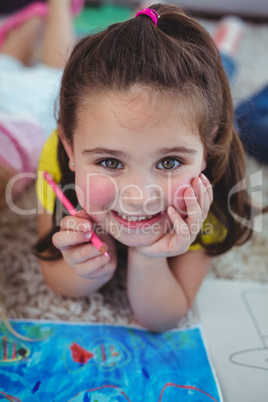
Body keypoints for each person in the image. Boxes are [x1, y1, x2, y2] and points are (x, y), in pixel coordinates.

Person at [35, 4, 254, 332]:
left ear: (207, 149)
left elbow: (162, 317)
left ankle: (225, 46)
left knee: (227, 76)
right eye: (110, 162)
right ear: (69, 148)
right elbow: (59, 283)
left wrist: (150, 257)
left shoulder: (212, 189)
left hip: (216, 98)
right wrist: (87, 270)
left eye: (169, 162)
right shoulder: (54, 163)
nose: (139, 196)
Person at [0, 0, 84, 207]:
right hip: (19, 128)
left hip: (24, 124)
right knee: (10, 70)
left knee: (54, 78)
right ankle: (36, 17)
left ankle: (49, 12)